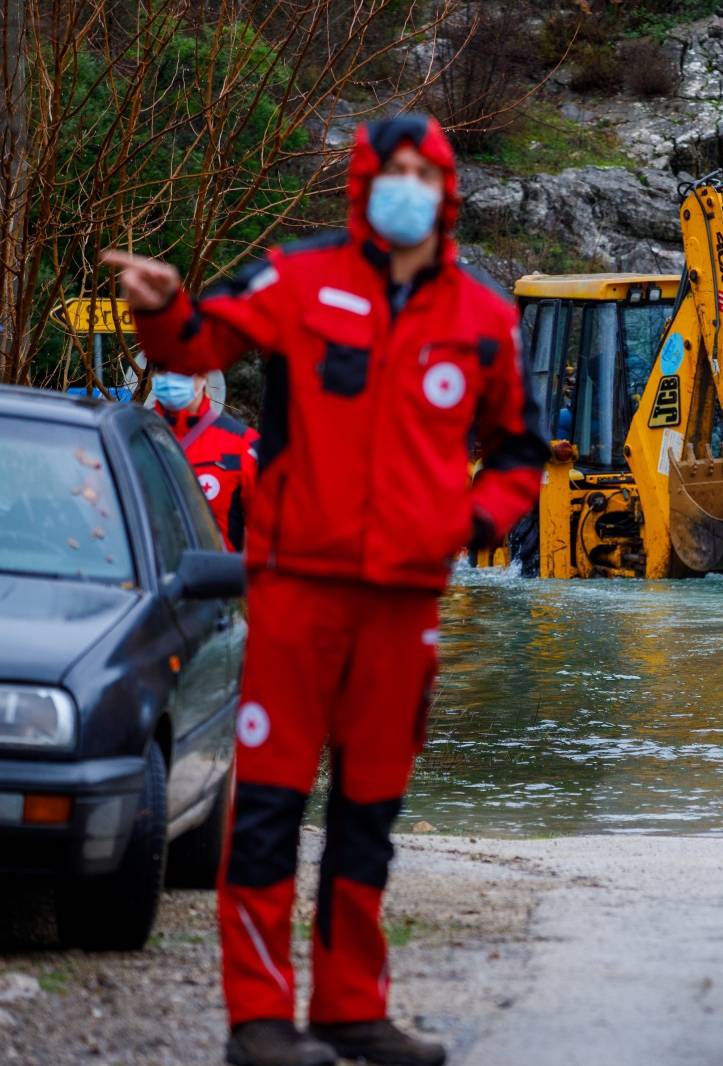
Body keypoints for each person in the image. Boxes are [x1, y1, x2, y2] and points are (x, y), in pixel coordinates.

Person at [102, 113, 547, 1066]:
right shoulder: (295, 278)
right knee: (265, 809)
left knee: (368, 814)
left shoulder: (486, 318)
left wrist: (470, 526)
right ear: (361, 182)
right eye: (390, 170)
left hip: (405, 605)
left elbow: (519, 452)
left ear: (447, 184)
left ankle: (353, 1007)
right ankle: (259, 1021)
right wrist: (162, 309)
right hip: (297, 593)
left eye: (421, 171)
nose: (406, 185)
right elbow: (198, 348)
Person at [150, 371, 258, 551]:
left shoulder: (242, 444)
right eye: (162, 367)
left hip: (216, 576)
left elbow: (268, 533)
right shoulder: (130, 435)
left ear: (204, 372)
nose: (171, 376)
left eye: (182, 368)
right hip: (146, 576)